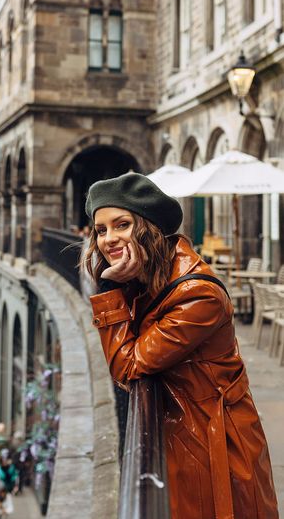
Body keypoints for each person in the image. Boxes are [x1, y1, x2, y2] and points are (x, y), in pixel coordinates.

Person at [84, 172, 278, 519]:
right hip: (184, 434)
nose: (109, 239)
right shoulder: (150, 277)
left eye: (122, 225)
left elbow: (126, 366)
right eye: (101, 230)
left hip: (214, 444)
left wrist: (106, 293)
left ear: (148, 226)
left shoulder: (197, 295)